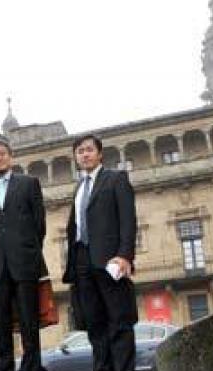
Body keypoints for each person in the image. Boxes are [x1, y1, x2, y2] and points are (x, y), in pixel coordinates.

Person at [62, 134, 138, 371]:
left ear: (99, 153)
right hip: (82, 261)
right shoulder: (79, 187)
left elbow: (128, 219)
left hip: (109, 260)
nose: (84, 154)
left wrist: (125, 255)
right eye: (80, 151)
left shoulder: (115, 179)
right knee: (95, 324)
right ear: (76, 157)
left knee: (119, 322)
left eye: (89, 150)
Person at [0, 139, 47, 371]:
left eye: (1, 154)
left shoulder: (29, 183)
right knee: (0, 323)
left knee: (29, 320)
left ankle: (31, 366)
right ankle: (3, 367)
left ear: (10, 156)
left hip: (24, 261)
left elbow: (40, 225)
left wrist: (29, 250)